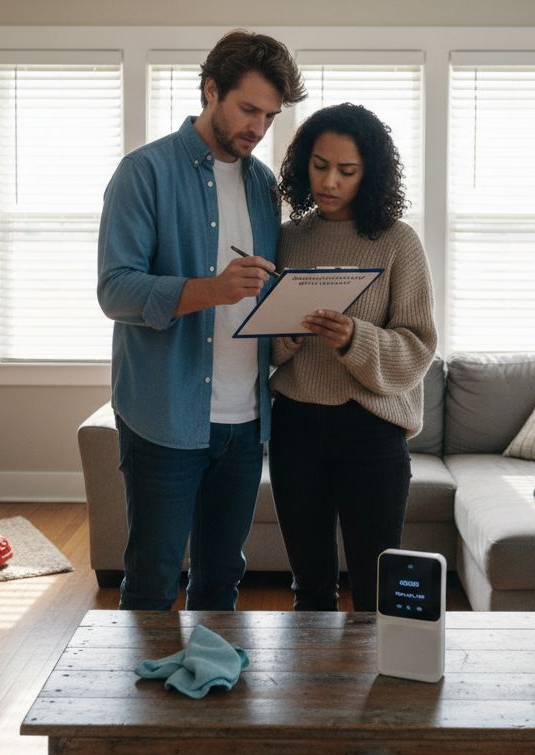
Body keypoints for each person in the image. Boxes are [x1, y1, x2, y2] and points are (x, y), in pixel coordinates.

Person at [96, 30, 306, 610]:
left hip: (246, 421)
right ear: (211, 89)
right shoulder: (144, 173)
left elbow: (261, 295)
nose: (258, 128)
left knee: (220, 580)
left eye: (269, 116)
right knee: (152, 581)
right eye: (248, 109)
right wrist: (211, 290)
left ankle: (210, 672)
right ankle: (147, 676)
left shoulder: (264, 187)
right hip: (164, 416)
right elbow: (115, 291)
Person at [269, 103, 438, 612]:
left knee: (375, 590)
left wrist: (353, 339)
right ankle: (312, 668)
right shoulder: (288, 239)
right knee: (310, 587)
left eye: (347, 170)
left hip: (372, 430)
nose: (330, 182)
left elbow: (419, 347)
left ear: (371, 174)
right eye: (320, 165)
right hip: (295, 426)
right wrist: (287, 334)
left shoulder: (398, 242)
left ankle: (376, 668)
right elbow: (262, 346)